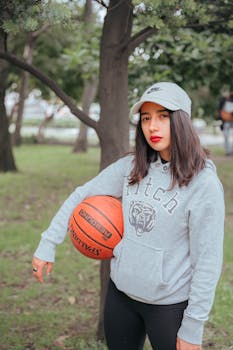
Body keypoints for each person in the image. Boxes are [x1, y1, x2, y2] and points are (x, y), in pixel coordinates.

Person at [32, 82, 225, 350]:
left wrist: (193, 326)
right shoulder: (132, 167)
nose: (152, 127)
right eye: (146, 118)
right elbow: (82, 195)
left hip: (169, 307)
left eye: (162, 116)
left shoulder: (203, 184)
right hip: (121, 295)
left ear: (182, 120)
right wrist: (47, 243)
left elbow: (208, 261)